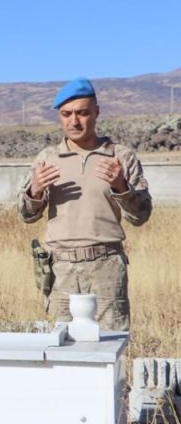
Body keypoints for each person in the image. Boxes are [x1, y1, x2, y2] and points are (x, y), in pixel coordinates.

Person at [18, 77, 152, 331]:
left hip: (106, 266)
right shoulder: (47, 158)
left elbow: (141, 216)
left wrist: (121, 186)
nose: (74, 121)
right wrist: (35, 191)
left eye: (82, 113)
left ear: (96, 112)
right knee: (60, 348)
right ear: (59, 116)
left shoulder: (120, 157)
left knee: (111, 346)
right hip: (60, 269)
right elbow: (26, 215)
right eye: (67, 114)